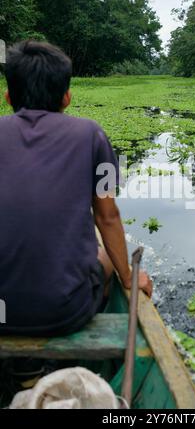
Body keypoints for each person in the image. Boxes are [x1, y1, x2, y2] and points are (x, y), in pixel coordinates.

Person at [0, 40, 152, 337]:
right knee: (107, 255)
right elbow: (107, 217)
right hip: (64, 314)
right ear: (67, 98)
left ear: (8, 97)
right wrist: (130, 277)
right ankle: (98, 302)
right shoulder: (92, 134)